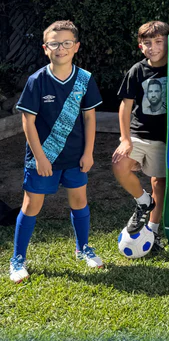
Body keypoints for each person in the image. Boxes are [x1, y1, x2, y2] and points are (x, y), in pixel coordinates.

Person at [11, 20, 103, 283]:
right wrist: (40, 158)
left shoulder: (85, 79)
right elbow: (27, 122)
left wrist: (88, 152)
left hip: (75, 157)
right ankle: (18, 259)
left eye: (66, 43)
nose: (60, 48)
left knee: (79, 201)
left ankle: (82, 248)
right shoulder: (37, 80)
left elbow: (89, 118)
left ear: (76, 47)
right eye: (54, 44)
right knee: (31, 205)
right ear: (45, 48)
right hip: (43, 159)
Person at [112, 20, 169, 252]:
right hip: (138, 134)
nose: (153, 47)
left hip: (166, 138)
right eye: (147, 43)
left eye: (158, 42)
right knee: (119, 164)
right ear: (140, 47)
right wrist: (125, 139)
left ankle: (152, 231)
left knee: (159, 181)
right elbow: (125, 106)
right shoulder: (137, 70)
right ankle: (143, 201)